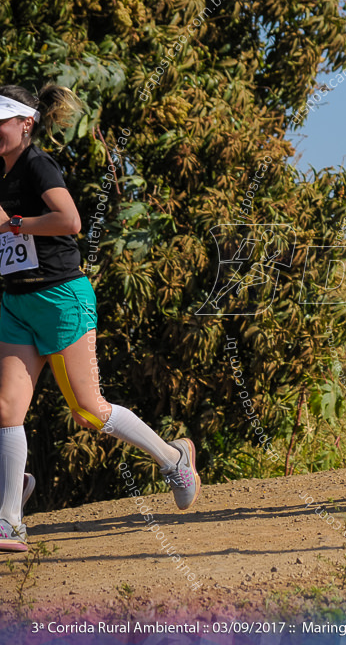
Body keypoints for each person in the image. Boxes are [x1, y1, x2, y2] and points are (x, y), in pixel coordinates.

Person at [0, 85, 200, 552]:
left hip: (60, 298)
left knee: (89, 409)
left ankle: (174, 460)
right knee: (8, 410)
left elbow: (69, 221)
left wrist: (15, 224)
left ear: (24, 123)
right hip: (15, 303)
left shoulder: (36, 164)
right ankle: (9, 519)